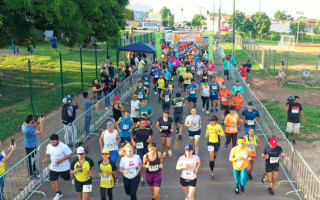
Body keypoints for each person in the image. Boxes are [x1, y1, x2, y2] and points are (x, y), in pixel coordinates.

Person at [43, 134, 73, 200]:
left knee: (67, 179)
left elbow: (70, 154)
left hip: (64, 167)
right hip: (54, 167)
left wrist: (61, 160)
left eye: (54, 142)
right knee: (53, 180)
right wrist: (46, 158)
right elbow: (47, 153)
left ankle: (73, 177)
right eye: (51, 142)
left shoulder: (63, 146)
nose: (52, 143)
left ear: (58, 140)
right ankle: (58, 193)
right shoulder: (49, 146)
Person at [131, 118, 155, 185]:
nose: (144, 125)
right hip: (138, 148)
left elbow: (153, 134)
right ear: (139, 123)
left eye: (145, 123)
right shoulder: (135, 129)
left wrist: (150, 139)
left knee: (149, 162)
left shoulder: (148, 129)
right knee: (140, 163)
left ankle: (151, 177)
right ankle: (142, 179)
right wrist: (133, 141)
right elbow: (132, 136)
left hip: (147, 148)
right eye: (142, 123)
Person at [22, 114, 45, 179]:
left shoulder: (24, 124)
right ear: (30, 121)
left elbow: (32, 127)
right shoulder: (28, 130)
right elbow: (41, 132)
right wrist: (41, 122)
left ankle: (34, 170)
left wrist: (37, 122)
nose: (34, 120)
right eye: (33, 119)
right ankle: (31, 175)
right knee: (30, 161)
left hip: (32, 145)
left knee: (33, 159)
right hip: (30, 147)